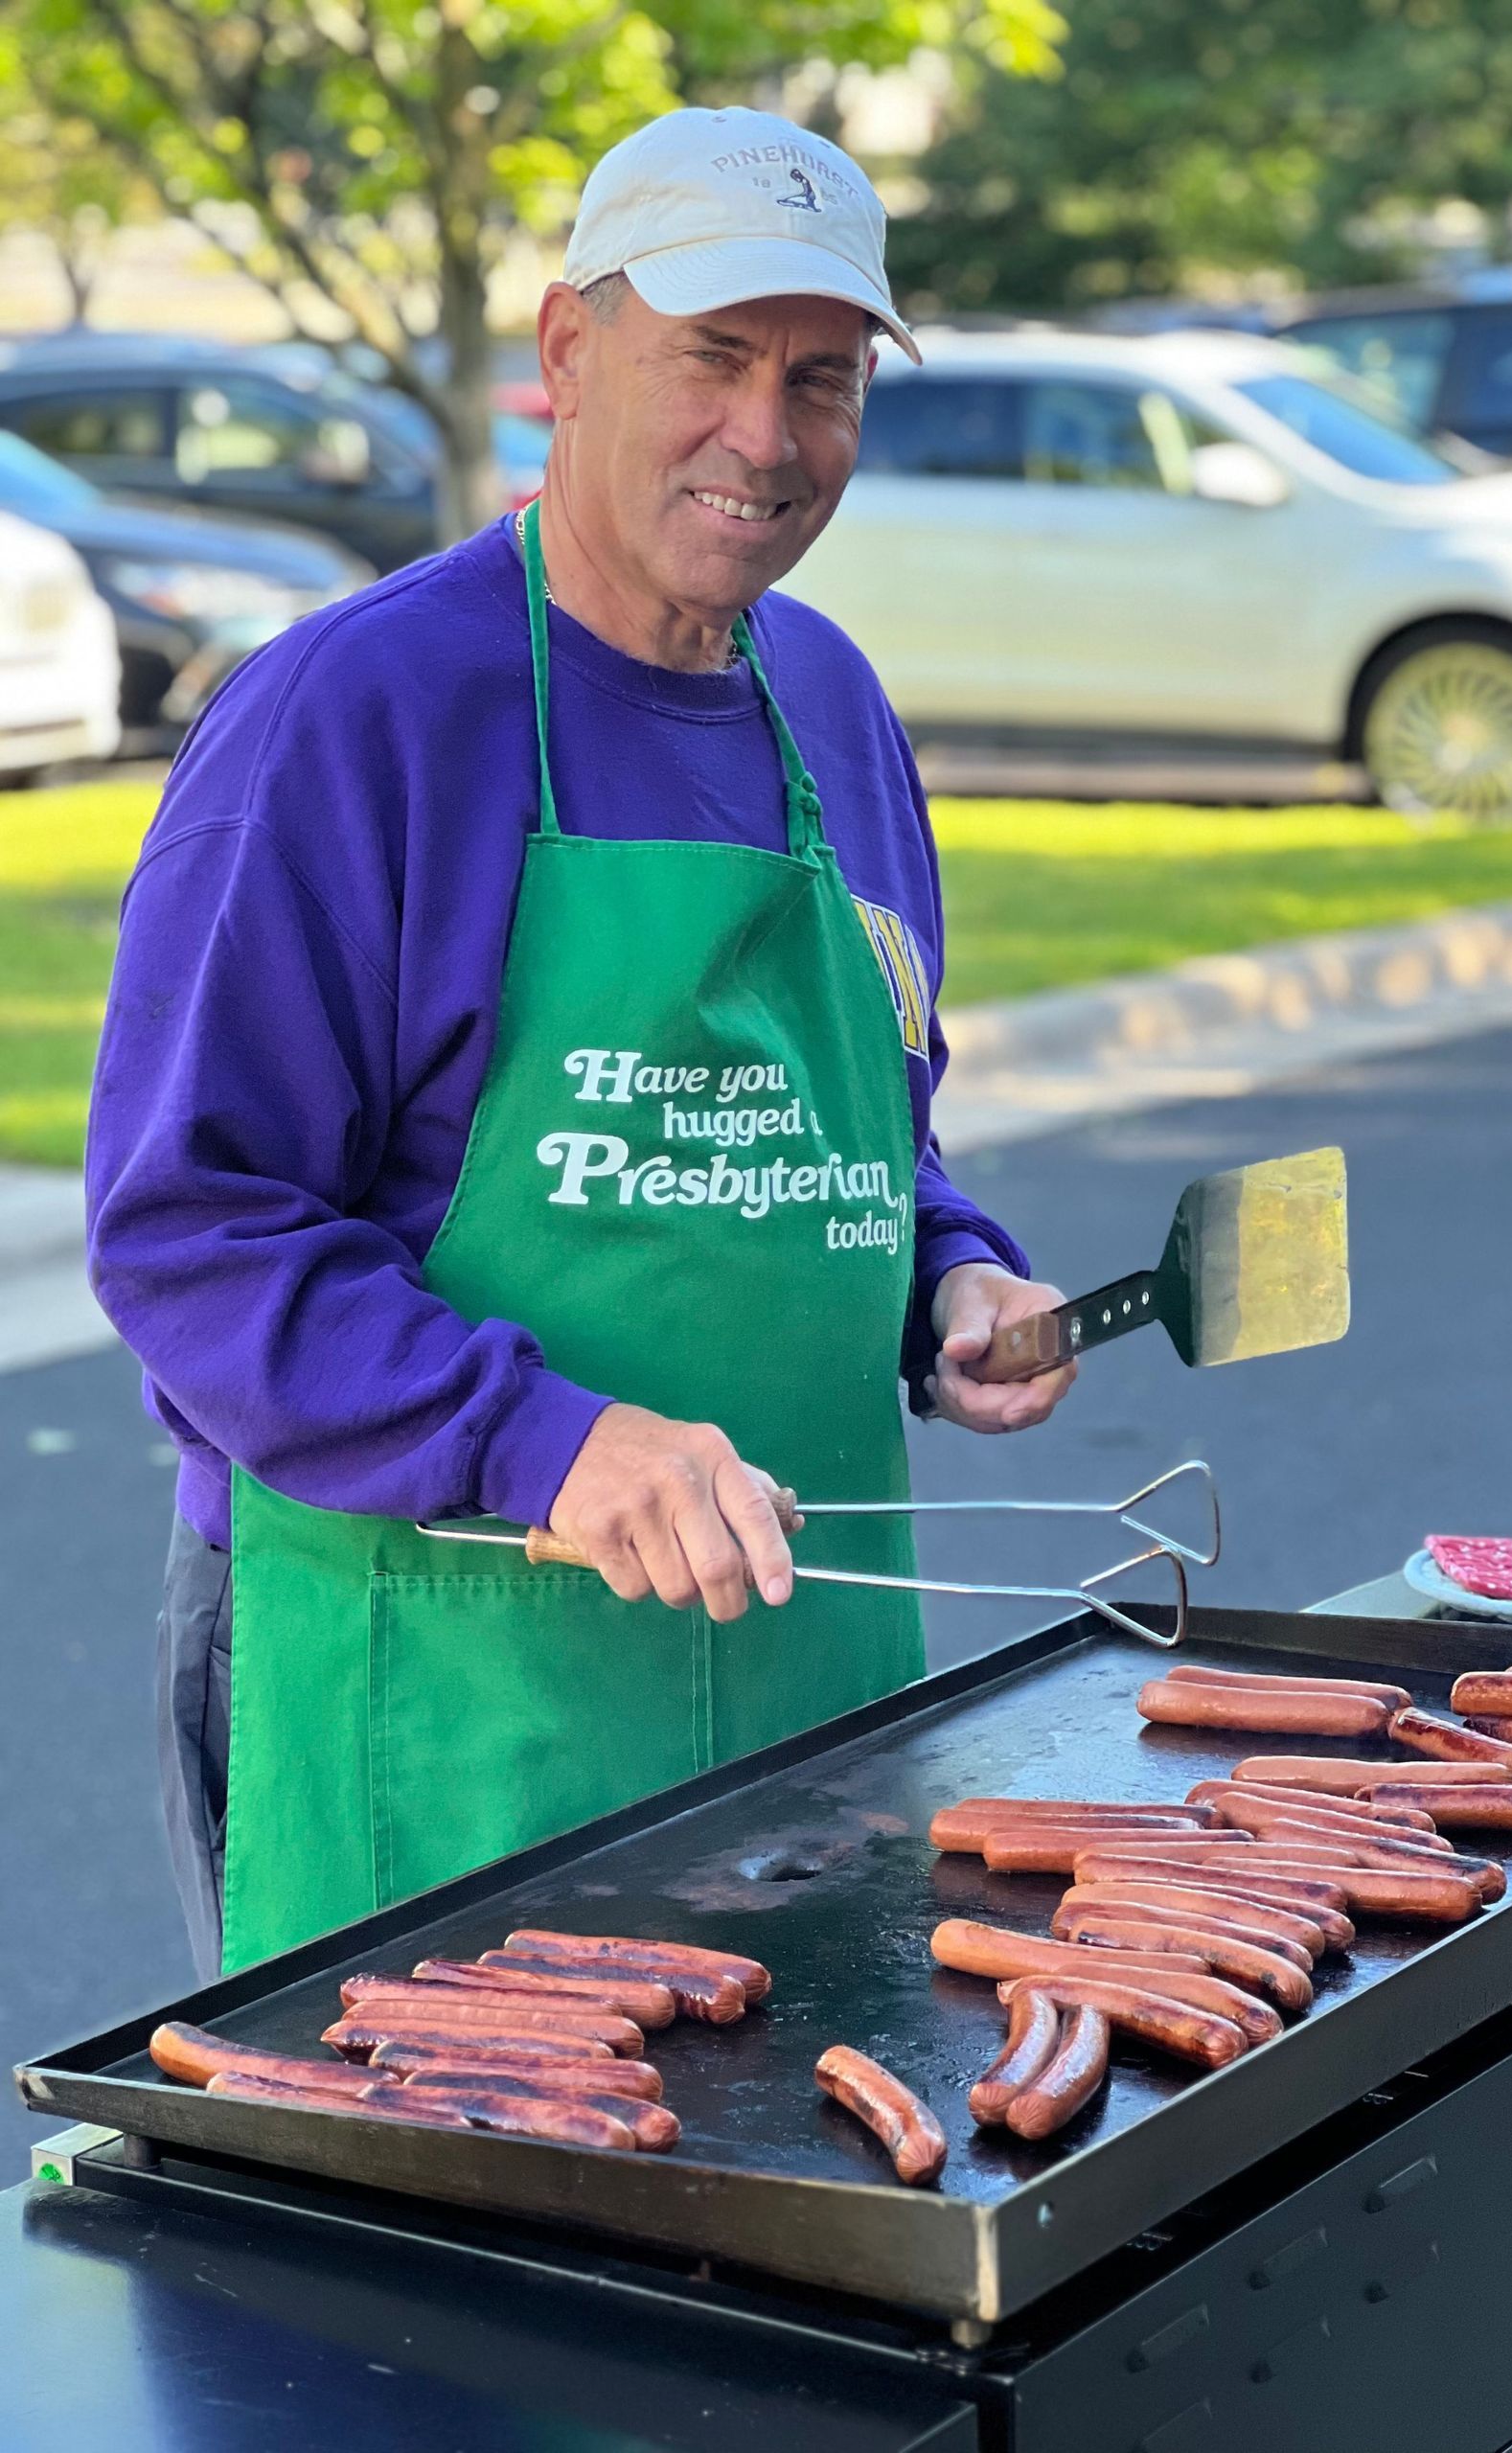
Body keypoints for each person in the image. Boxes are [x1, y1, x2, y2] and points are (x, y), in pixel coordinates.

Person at [86, 106, 1077, 1979]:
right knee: (418, 2240)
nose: (767, 438)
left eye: (822, 378)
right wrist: (537, 1438)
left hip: (807, 1661)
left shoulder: (837, 706)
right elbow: (189, 1228)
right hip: (430, 1663)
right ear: (564, 352)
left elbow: (861, 1135)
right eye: (711, 358)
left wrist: (945, 1272)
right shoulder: (351, 717)